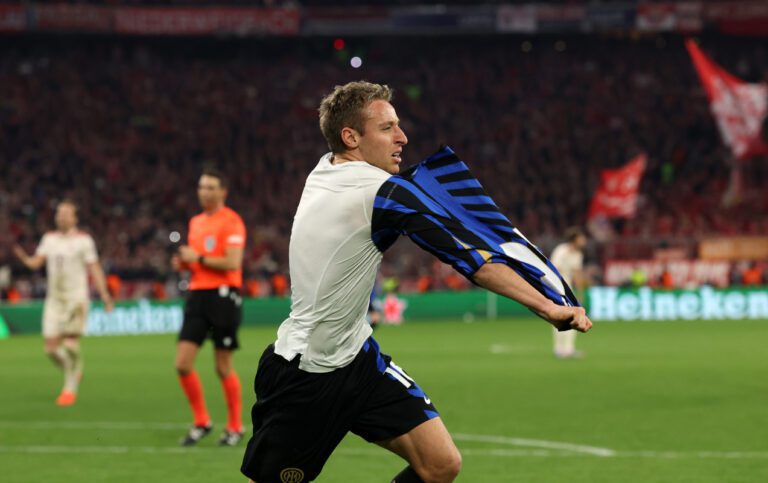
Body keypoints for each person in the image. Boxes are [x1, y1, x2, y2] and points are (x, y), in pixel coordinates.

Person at [240, 81, 592, 483]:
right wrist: (547, 306)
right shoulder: (377, 192)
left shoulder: (325, 169)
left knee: (440, 464)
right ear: (351, 137)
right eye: (388, 127)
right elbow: (469, 258)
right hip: (307, 373)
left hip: (357, 358)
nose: (403, 138)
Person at [172, 167, 246, 447]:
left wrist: (198, 258)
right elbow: (197, 260)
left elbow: (232, 262)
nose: (204, 192)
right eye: (201, 187)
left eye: (210, 187)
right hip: (197, 295)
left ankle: (235, 427)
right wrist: (184, 263)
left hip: (223, 297)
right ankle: (201, 421)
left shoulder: (232, 222)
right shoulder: (196, 222)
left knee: (222, 365)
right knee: (182, 364)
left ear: (222, 191)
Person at [13, 199, 113, 406]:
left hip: (76, 298)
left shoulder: (84, 240)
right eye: (59, 213)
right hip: (54, 300)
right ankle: (75, 370)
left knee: (69, 345)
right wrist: (24, 258)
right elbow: (36, 263)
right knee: (50, 350)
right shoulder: (49, 239)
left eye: (66, 213)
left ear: (75, 218)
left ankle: (69, 389)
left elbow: (94, 268)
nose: (61, 216)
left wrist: (104, 294)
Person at [549, 227, 588, 359]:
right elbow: (553, 268)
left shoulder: (578, 255)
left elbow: (577, 274)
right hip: (557, 287)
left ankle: (569, 349)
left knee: (574, 317)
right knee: (560, 317)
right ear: (574, 239)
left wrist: (580, 293)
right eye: (581, 238)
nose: (583, 240)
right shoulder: (561, 250)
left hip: (568, 288)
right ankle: (559, 349)